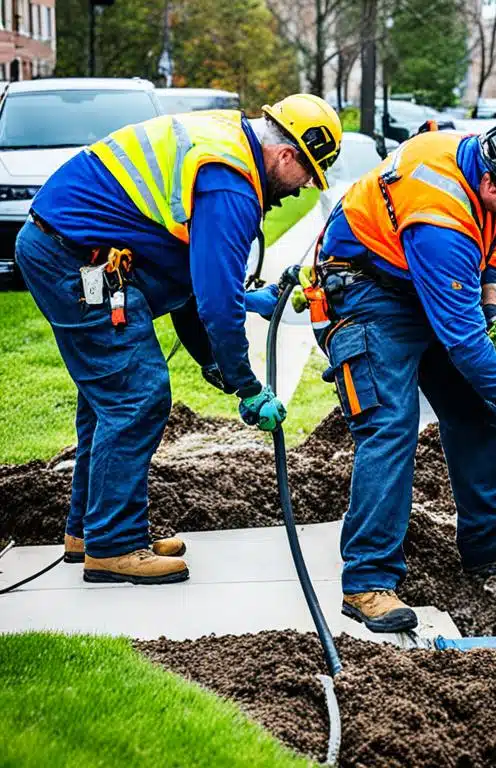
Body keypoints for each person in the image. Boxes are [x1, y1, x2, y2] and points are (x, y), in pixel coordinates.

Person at [16, 94, 343, 587]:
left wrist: (228, 337)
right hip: (73, 260)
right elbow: (214, 304)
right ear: (287, 156)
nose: (301, 192)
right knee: (137, 397)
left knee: (108, 400)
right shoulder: (231, 184)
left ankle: (89, 529)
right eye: (308, 178)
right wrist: (246, 386)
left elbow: (197, 281)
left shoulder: (227, 141)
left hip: (74, 250)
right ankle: (114, 546)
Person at [306, 122, 496, 633]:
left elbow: (489, 249)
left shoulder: (479, 173)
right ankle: (367, 581)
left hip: (410, 280)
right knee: (391, 425)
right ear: (492, 185)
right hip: (364, 291)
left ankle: (489, 543)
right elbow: (462, 341)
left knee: (472, 411)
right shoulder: (440, 217)